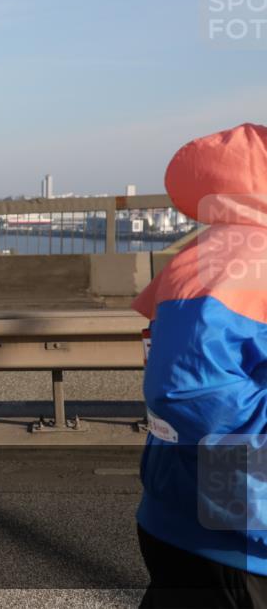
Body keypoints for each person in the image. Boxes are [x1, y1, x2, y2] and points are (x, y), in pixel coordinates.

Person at [131, 123, 267, 607]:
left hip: (204, 516)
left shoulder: (221, 250)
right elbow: (189, 391)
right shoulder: (239, 259)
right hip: (234, 532)